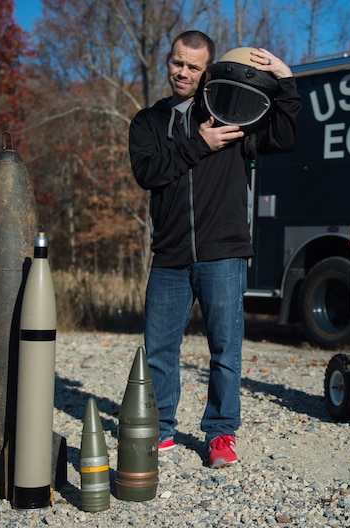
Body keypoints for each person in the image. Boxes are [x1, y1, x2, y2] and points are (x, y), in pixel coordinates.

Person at [128, 30, 300, 468]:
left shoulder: (231, 113)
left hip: (223, 253)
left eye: (192, 66)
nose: (182, 72)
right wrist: (198, 145)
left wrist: (287, 81)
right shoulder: (147, 122)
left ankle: (221, 434)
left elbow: (283, 137)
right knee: (160, 349)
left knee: (225, 349)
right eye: (177, 62)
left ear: (207, 72)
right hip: (169, 256)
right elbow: (150, 173)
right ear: (168, 60)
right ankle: (159, 429)